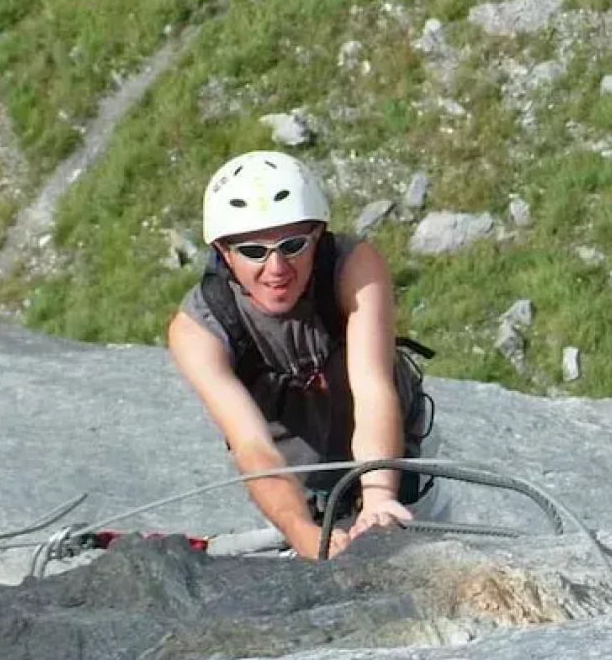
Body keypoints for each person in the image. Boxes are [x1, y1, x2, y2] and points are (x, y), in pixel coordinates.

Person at [167, 150, 436, 560]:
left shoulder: (354, 267)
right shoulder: (198, 330)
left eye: (293, 245)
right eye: (254, 251)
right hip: (299, 474)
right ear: (223, 253)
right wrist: (302, 533)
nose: (277, 268)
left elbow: (373, 389)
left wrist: (380, 498)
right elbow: (252, 445)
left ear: (318, 237)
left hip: (399, 443)